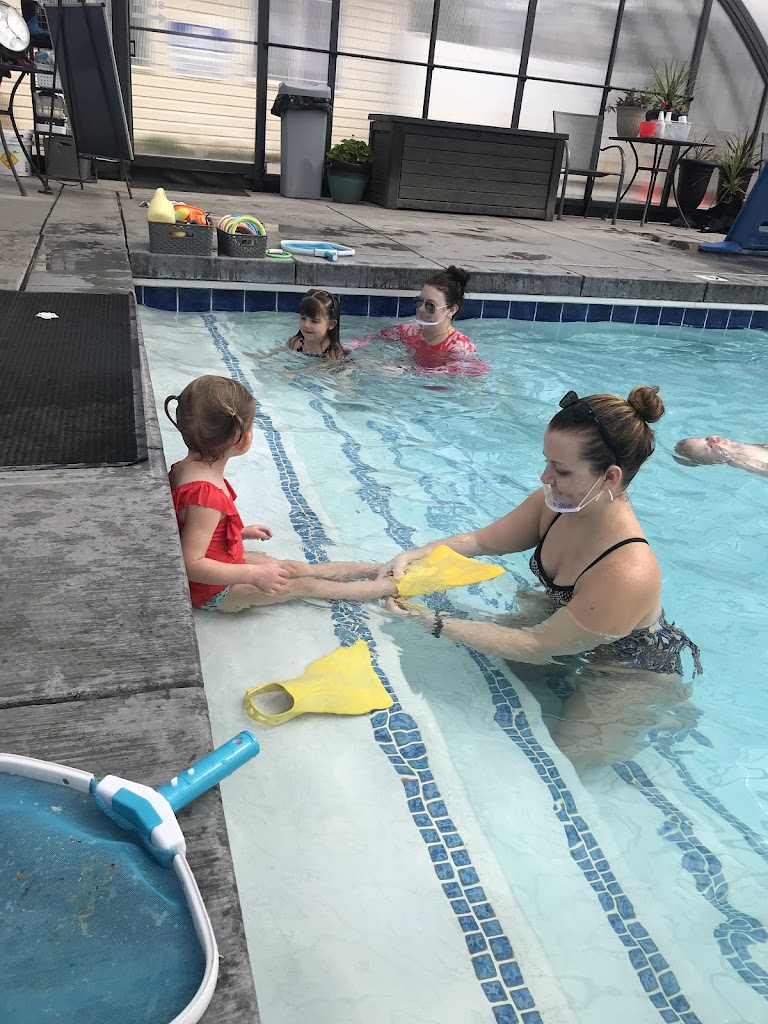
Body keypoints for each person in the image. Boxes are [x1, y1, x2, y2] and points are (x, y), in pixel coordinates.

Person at [380, 386, 702, 770]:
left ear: (609, 477)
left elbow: (535, 645)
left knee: (567, 762)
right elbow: (480, 541)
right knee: (484, 674)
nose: (545, 477)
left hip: (628, 668)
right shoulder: (555, 505)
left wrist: (433, 621)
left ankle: (664, 712)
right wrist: (415, 554)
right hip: (563, 620)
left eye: (561, 470)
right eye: (547, 462)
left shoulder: (628, 572)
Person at [166, 375, 394, 613]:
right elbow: (191, 564)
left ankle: (375, 569)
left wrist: (239, 533)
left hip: (224, 562)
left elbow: (192, 526)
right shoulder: (206, 496)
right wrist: (252, 574)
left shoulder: (184, 470)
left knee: (291, 568)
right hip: (213, 591)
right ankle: (383, 588)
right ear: (244, 440)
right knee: (303, 585)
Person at [350, 266, 488, 372]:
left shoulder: (460, 347)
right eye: (420, 301)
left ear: (451, 310)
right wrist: (349, 347)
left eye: (430, 305)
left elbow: (458, 374)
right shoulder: (409, 330)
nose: (421, 309)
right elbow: (374, 338)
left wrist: (405, 370)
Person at [286, 289, 346, 360]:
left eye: (314, 321)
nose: (306, 325)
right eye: (303, 318)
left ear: (331, 324)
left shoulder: (334, 354)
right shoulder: (294, 343)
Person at [674, 435, 768, 476]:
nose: (712, 438)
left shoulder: (732, 445)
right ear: (718, 460)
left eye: (706, 439)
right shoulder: (740, 461)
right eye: (710, 446)